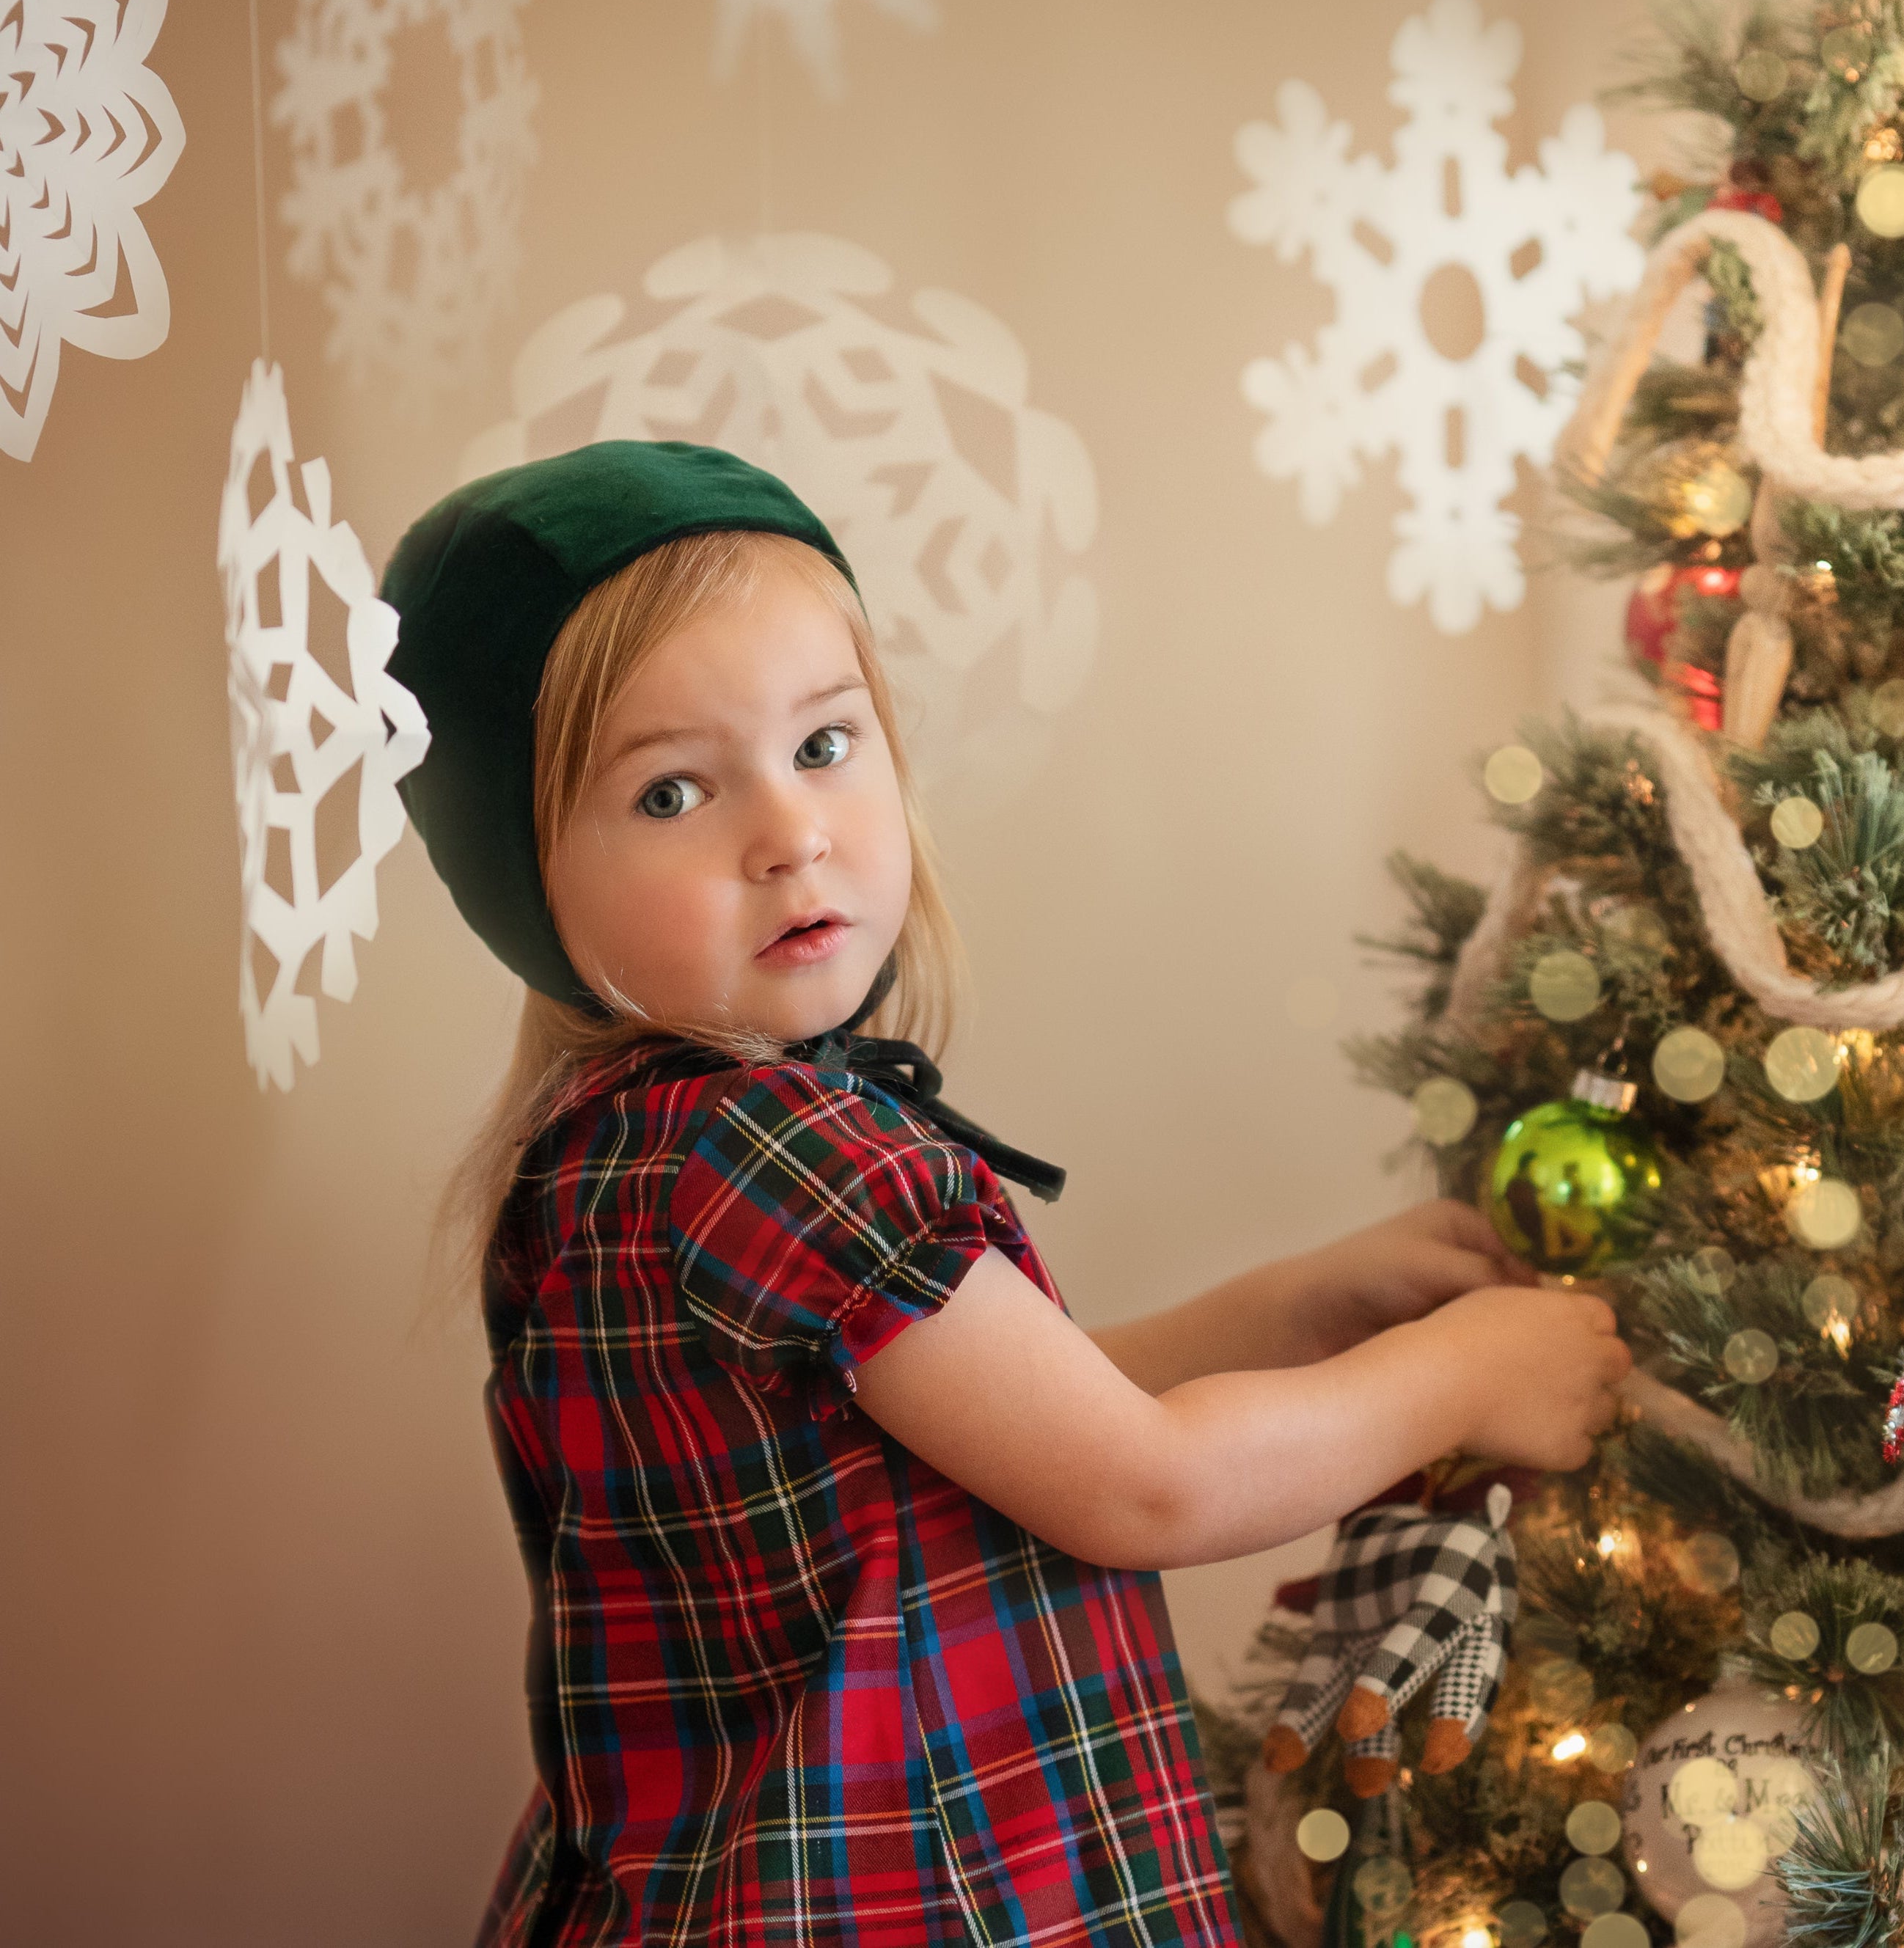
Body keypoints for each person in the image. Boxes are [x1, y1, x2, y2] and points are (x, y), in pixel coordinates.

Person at [384, 440, 1633, 1948]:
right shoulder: (768, 1149)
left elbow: (964, 1432)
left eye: (824, 743)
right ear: (524, 875)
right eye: (672, 791)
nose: (789, 832)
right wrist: (1463, 1379)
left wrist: (1291, 1310)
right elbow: (1144, 1485)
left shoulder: (628, 1149)